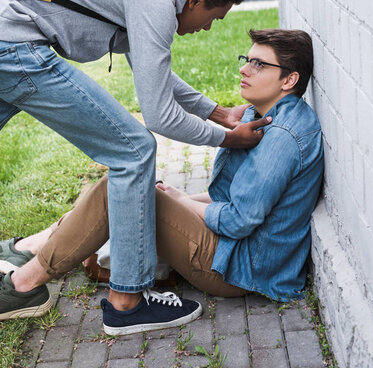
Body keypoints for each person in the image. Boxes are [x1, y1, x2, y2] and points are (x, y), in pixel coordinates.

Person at [0, 0, 269, 328]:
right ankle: (127, 301)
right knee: (134, 151)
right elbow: (160, 116)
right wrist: (229, 139)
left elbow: (152, 71)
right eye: (214, 17)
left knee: (131, 149)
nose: (208, 27)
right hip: (15, 49)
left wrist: (219, 112)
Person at [0, 29, 324, 335]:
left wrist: (181, 203)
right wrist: (184, 198)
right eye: (247, 60)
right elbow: (236, 198)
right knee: (129, 188)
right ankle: (34, 252)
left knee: (117, 192)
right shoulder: (262, 115)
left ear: (289, 79)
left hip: (239, 269)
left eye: (258, 64)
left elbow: (238, 221)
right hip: (230, 249)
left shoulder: (282, 138)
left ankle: (23, 285)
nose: (245, 70)